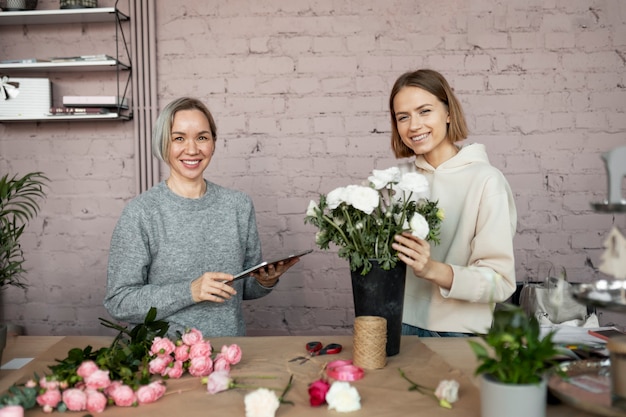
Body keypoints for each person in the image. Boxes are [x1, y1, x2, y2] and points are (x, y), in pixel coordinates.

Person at [104, 97, 299, 337]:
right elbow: (119, 301)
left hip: (229, 353)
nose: (192, 149)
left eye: (202, 137)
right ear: (163, 143)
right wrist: (189, 291)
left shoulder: (238, 206)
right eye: (179, 138)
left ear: (213, 143)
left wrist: (265, 281)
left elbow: (244, 288)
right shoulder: (141, 213)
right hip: (165, 359)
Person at [388, 69, 517, 337]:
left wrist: (431, 269)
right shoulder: (398, 182)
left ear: (448, 113)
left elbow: (500, 282)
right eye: (403, 117)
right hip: (398, 324)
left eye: (424, 111)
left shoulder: (486, 181)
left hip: (460, 333)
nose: (414, 126)